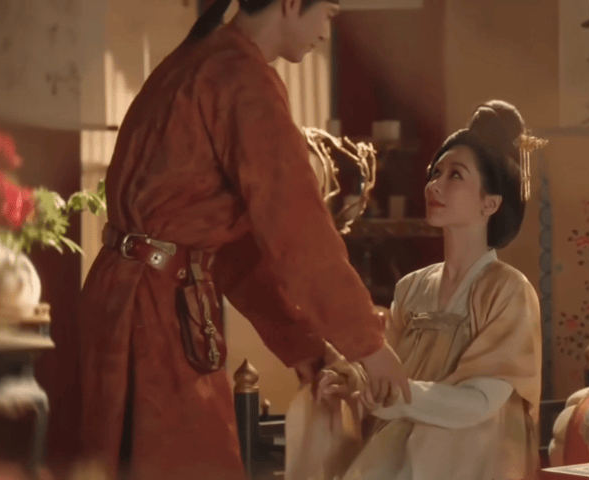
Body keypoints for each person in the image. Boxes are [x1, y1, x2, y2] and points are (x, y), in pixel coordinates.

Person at [74, 1, 410, 479]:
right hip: (157, 311)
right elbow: (299, 233)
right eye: (329, 12)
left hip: (124, 297)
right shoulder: (242, 80)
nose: (327, 30)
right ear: (291, 4)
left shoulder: (194, 59)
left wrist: (302, 344)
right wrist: (370, 347)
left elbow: (235, 251)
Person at [285, 100, 545, 480]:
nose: (434, 185)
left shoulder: (508, 291)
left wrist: (400, 398)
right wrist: (353, 381)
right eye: (435, 172)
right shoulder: (412, 288)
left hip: (474, 451)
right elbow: (385, 368)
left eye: (455, 175)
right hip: (407, 435)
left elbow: (480, 402)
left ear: (490, 202)